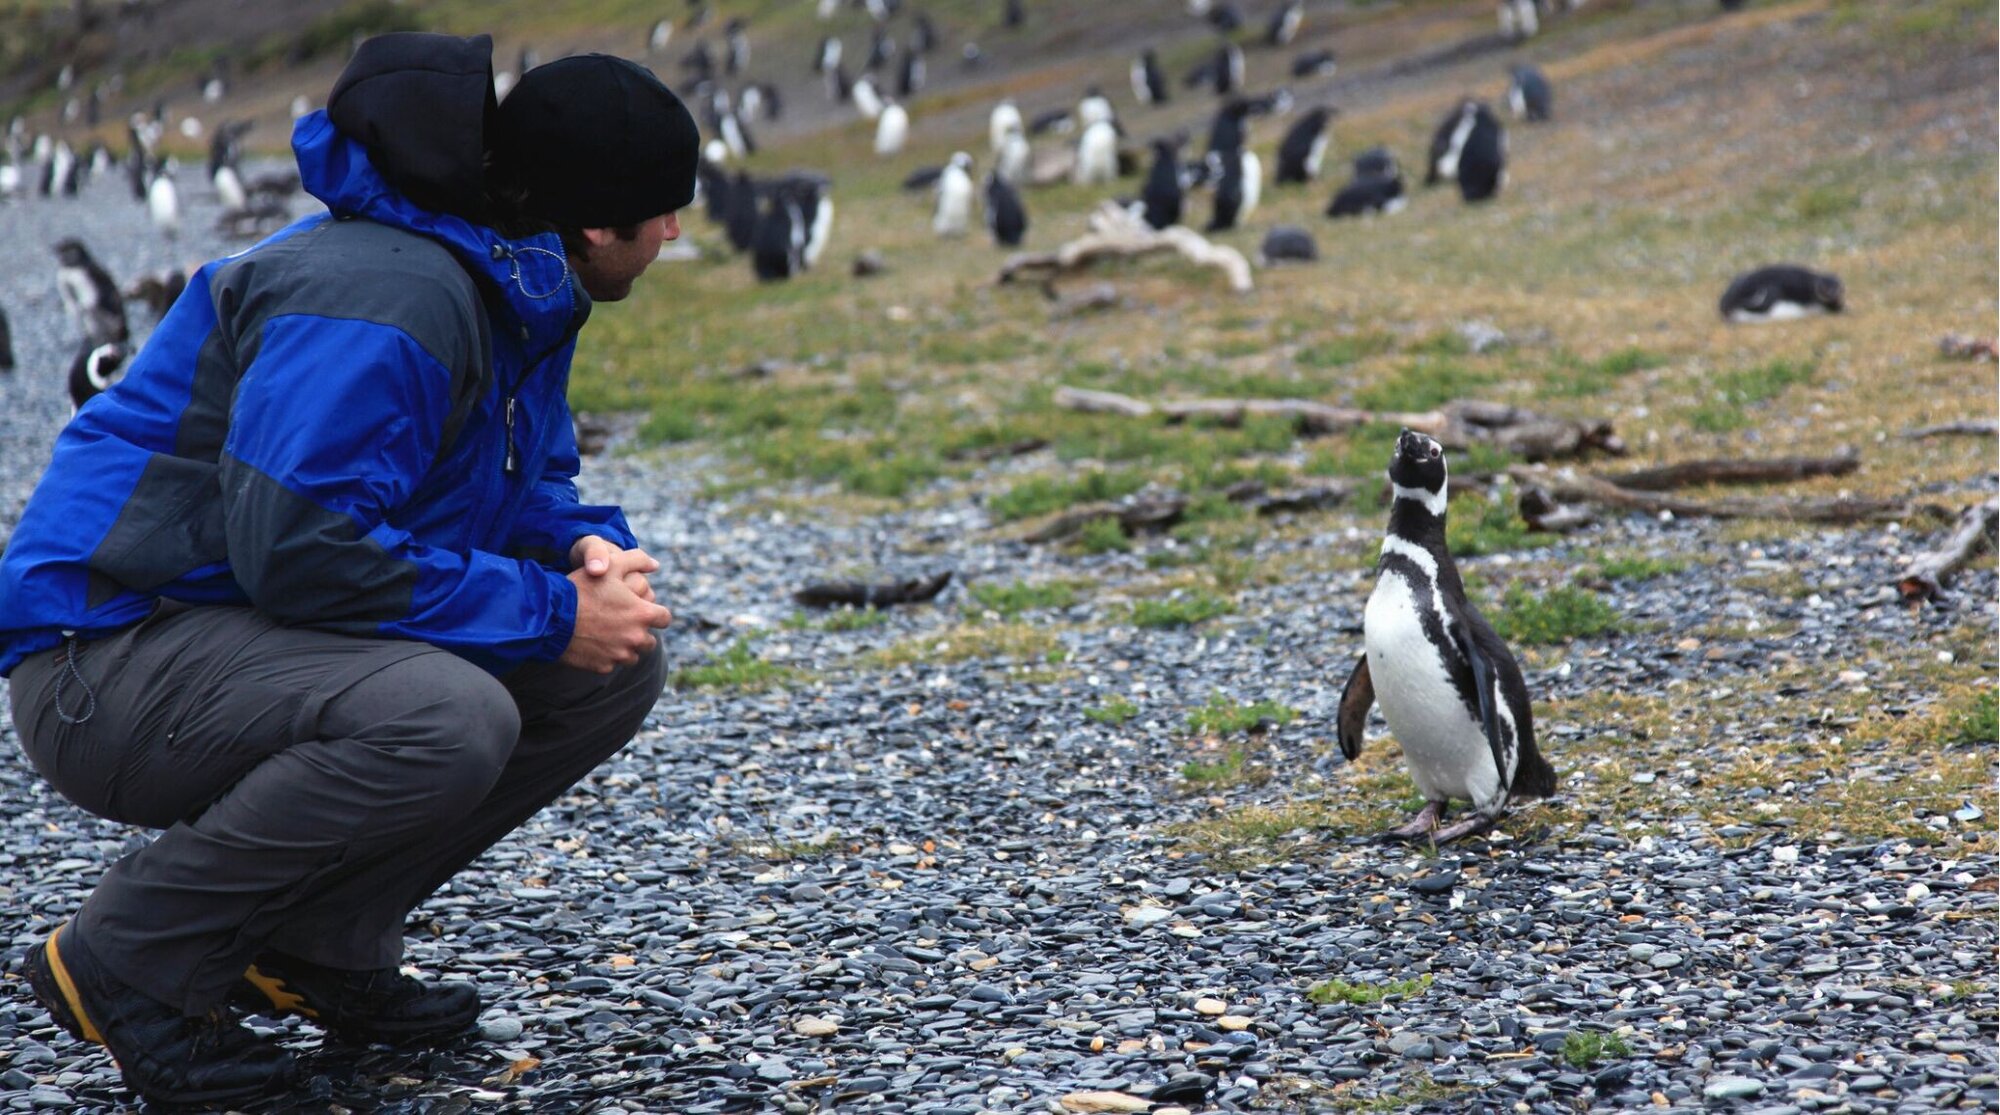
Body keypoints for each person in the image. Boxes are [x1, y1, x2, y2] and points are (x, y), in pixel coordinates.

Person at [0, 33, 694, 1108]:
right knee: (448, 713)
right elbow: (299, 545)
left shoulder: (506, 284)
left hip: (219, 634)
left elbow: (513, 483)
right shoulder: (393, 295)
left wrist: (576, 550)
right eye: (663, 212)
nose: (674, 233)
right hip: (106, 655)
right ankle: (128, 955)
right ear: (599, 222)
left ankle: (316, 936)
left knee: (606, 664)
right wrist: (544, 607)